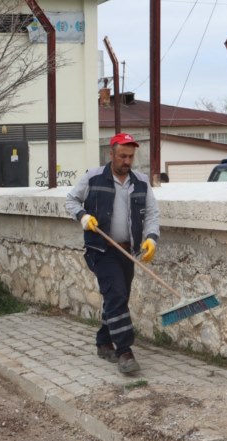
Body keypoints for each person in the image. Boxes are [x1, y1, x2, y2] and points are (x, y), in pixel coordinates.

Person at [65, 133, 160, 375]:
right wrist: (83, 217)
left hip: (127, 250)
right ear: (111, 154)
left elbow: (151, 214)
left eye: (130, 156)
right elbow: (71, 200)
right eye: (122, 156)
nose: (127, 161)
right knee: (116, 294)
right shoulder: (94, 177)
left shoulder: (140, 182)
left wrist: (150, 239)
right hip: (101, 249)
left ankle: (103, 342)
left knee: (118, 298)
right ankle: (125, 351)